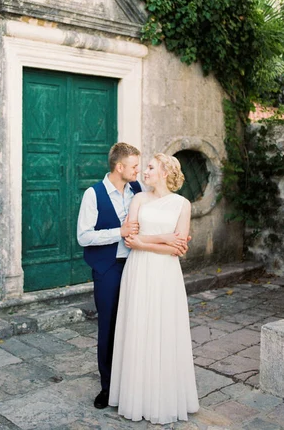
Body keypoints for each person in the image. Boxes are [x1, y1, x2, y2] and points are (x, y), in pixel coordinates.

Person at [77, 143, 187, 410]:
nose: (139, 170)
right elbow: (84, 236)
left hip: (140, 264)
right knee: (110, 326)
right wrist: (120, 231)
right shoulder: (93, 194)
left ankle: (135, 383)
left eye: (142, 166)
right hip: (109, 267)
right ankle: (108, 388)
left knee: (137, 324)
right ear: (120, 167)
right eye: (135, 166)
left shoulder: (138, 191)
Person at [109, 153, 199, 424]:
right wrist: (162, 238)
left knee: (163, 327)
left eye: (149, 167)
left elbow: (179, 248)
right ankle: (136, 395)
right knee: (139, 326)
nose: (144, 171)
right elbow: (130, 239)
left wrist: (147, 243)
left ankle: (163, 397)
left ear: (163, 171)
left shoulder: (182, 204)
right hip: (138, 271)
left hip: (166, 274)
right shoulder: (138, 199)